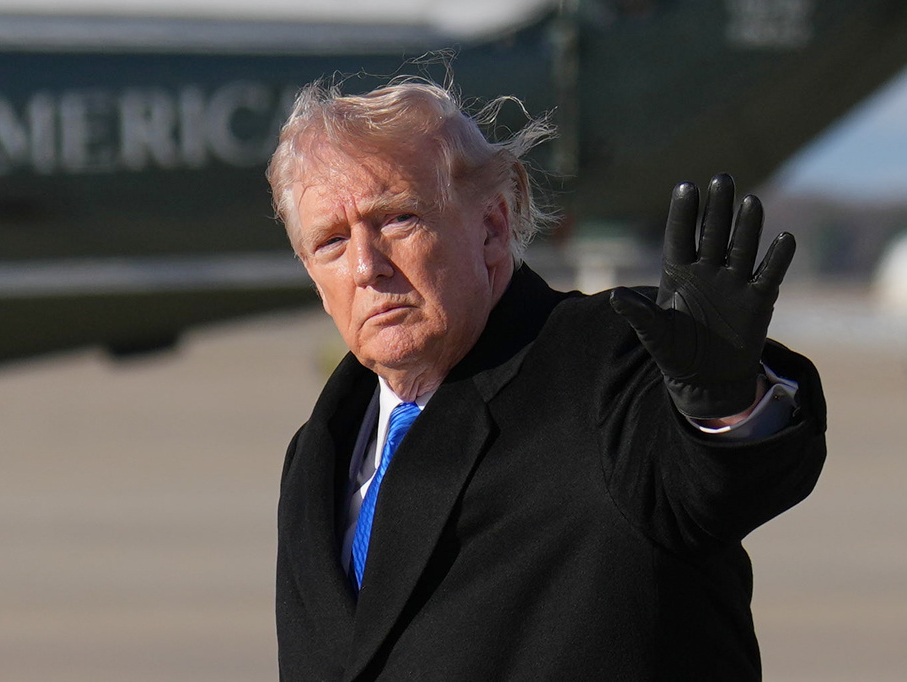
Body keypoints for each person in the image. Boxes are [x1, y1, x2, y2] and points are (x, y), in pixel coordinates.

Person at [266, 79, 826, 681]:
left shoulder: (608, 361)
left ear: (493, 228)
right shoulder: (317, 453)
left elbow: (709, 486)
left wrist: (722, 407)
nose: (365, 266)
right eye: (330, 242)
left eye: (399, 218)